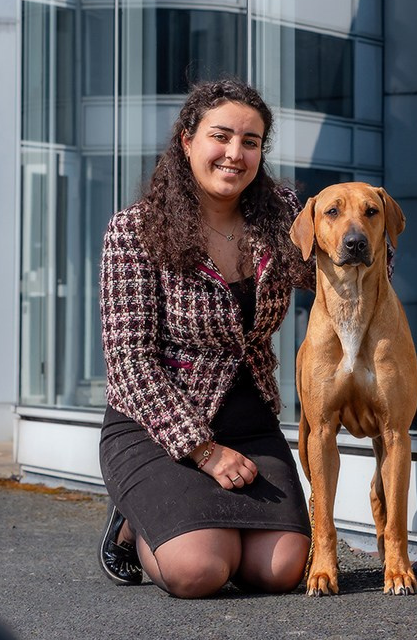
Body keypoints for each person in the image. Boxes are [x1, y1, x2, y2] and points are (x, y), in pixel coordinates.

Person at [97, 77, 314, 598]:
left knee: (280, 570)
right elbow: (130, 362)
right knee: (200, 570)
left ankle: (207, 525)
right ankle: (132, 520)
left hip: (249, 420)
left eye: (250, 141)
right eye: (221, 136)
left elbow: (346, 264)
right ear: (187, 140)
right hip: (157, 426)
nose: (235, 153)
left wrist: (364, 232)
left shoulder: (281, 216)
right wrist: (204, 451)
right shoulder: (135, 231)